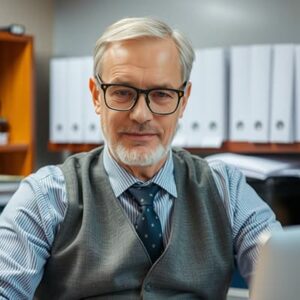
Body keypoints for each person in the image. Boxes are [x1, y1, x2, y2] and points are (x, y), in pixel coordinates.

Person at [0, 17, 281, 299]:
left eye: (161, 94)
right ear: (96, 96)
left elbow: (285, 281)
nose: (141, 115)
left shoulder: (225, 189)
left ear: (183, 101)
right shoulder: (46, 196)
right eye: (122, 92)